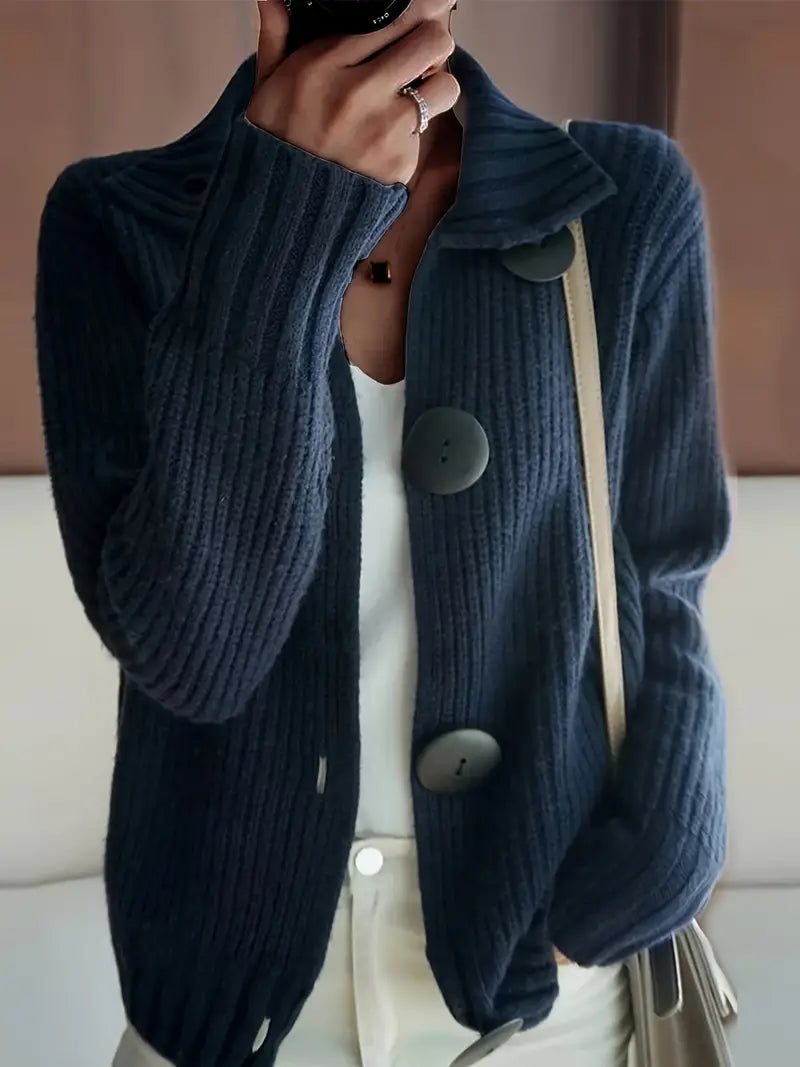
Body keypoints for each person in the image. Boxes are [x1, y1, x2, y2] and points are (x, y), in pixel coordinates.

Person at [33, 0, 731, 1065]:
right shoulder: (119, 220)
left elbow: (666, 566)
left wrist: (664, 843)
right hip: (228, 999)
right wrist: (285, 208)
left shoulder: (620, 201)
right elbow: (195, 657)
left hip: (541, 990)